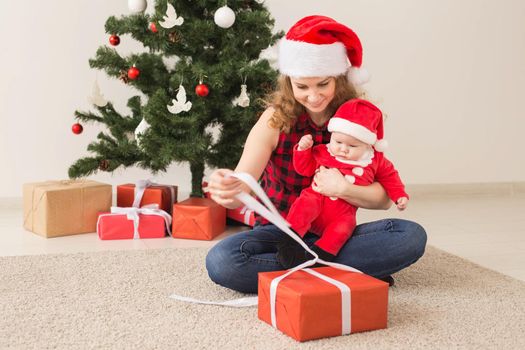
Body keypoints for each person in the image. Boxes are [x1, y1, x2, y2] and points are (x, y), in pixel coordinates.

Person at [205, 15, 426, 293]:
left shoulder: (358, 119)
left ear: (339, 79)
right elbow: (244, 179)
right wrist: (228, 185)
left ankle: (304, 268)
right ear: (289, 83)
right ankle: (339, 270)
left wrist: (343, 188)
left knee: (410, 236)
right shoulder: (274, 120)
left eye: (323, 84)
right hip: (280, 231)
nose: (313, 96)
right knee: (223, 260)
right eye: (302, 86)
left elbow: (384, 200)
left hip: (333, 233)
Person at [281, 98, 409, 268]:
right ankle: (289, 243)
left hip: (342, 213)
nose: (343, 149)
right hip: (317, 200)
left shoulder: (375, 160)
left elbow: (390, 177)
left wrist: (399, 195)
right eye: (338, 142)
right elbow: (304, 168)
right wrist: (303, 150)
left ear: (367, 145)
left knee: (344, 227)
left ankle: (321, 258)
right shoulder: (324, 151)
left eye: (353, 146)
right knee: (305, 204)